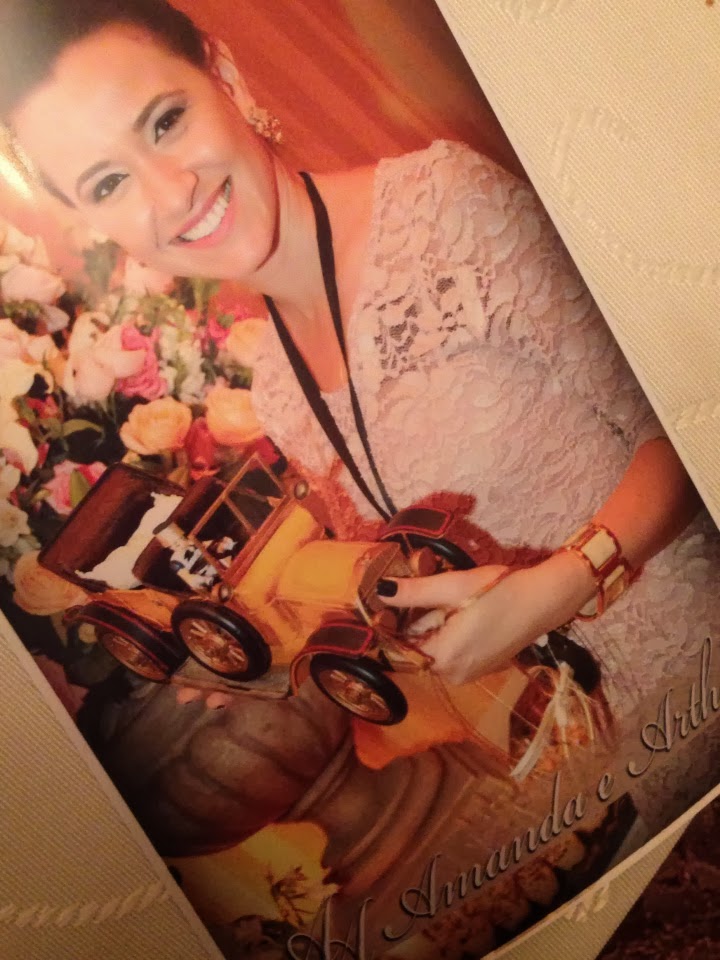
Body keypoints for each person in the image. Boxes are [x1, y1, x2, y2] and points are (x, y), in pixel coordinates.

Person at [1, 0, 719, 825]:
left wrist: (564, 583)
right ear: (95, 223)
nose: (170, 191)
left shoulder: (447, 207)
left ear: (225, 77)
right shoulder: (274, 386)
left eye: (165, 122)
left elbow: (692, 416)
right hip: (607, 759)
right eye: (109, 183)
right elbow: (411, 572)